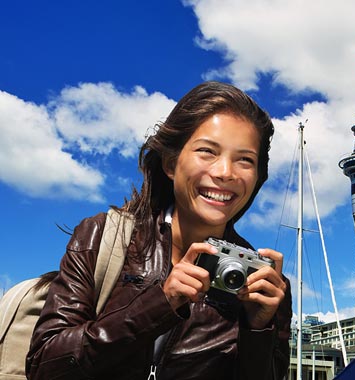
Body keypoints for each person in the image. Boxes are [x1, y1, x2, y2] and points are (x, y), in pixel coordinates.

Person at [26, 81, 292, 380]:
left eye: (245, 160)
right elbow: (44, 366)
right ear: (170, 162)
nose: (225, 172)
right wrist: (159, 304)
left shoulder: (264, 285)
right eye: (207, 151)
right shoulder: (102, 237)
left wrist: (259, 329)